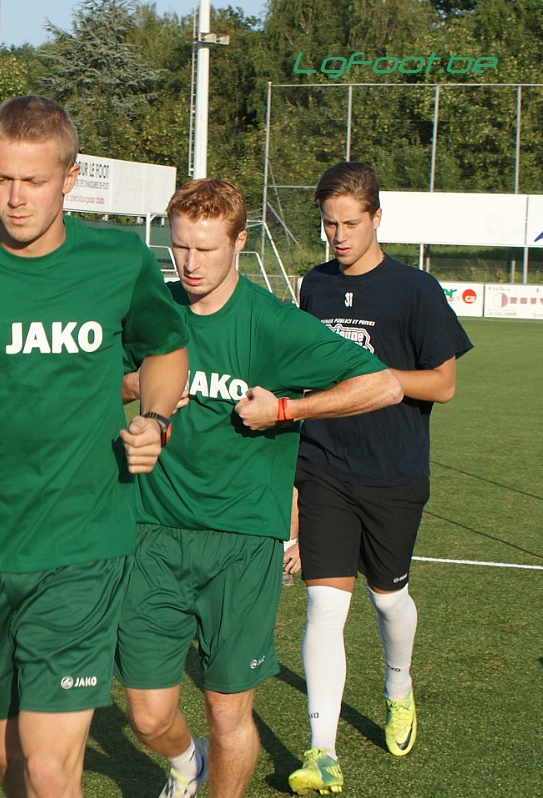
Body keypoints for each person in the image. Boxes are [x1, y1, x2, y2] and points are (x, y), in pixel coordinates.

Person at [0, 95, 190, 797]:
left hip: (81, 543)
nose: (15, 199)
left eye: (34, 181)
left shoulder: (116, 261)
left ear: (69, 179)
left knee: (50, 770)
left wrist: (157, 419)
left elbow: (165, 350)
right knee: (10, 763)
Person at [116, 179, 402, 798]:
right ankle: (184, 763)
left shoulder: (274, 324)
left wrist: (287, 411)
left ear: (239, 243)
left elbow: (384, 385)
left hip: (242, 544)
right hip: (149, 534)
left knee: (226, 712)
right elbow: (90, 386)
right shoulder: (151, 314)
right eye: (180, 248)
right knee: (146, 714)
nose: (190, 264)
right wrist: (137, 386)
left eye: (207, 249)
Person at [288, 162, 472, 796]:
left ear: (376, 218)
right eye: (329, 224)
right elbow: (304, 375)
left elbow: (443, 385)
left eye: (349, 224)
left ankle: (398, 686)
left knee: (388, 597)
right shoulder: (313, 285)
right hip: (324, 466)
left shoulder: (415, 290)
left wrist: (381, 384)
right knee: (323, 605)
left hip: (393, 472)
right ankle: (322, 751)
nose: (337, 235)